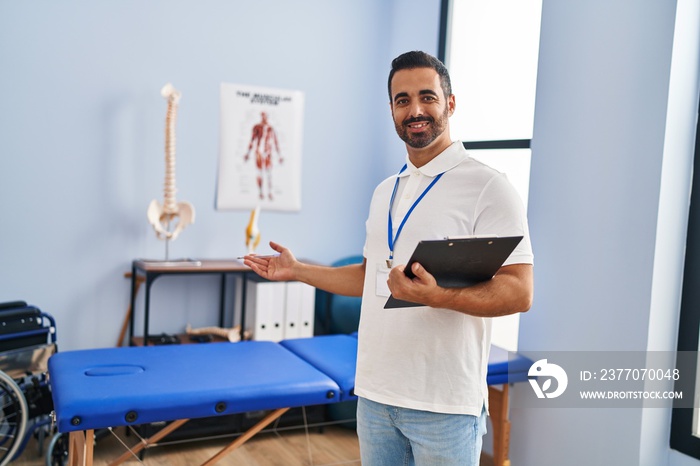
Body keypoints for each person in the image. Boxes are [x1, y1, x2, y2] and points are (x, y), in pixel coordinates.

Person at [244, 50, 533, 466]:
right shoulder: (387, 190)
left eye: (427, 97)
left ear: (450, 103)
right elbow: (368, 276)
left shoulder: (488, 186)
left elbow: (520, 292)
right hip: (376, 397)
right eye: (402, 100)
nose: (415, 110)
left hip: (444, 405)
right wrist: (298, 271)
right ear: (392, 110)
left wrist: (439, 298)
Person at [244, 111, 282, 200]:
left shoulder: (270, 128)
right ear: (261, 117)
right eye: (263, 116)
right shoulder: (257, 127)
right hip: (259, 152)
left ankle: (269, 192)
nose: (264, 118)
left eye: (266, 116)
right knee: (260, 173)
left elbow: (275, 142)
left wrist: (279, 155)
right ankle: (260, 192)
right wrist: (247, 153)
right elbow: (252, 140)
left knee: (269, 173)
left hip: (268, 153)